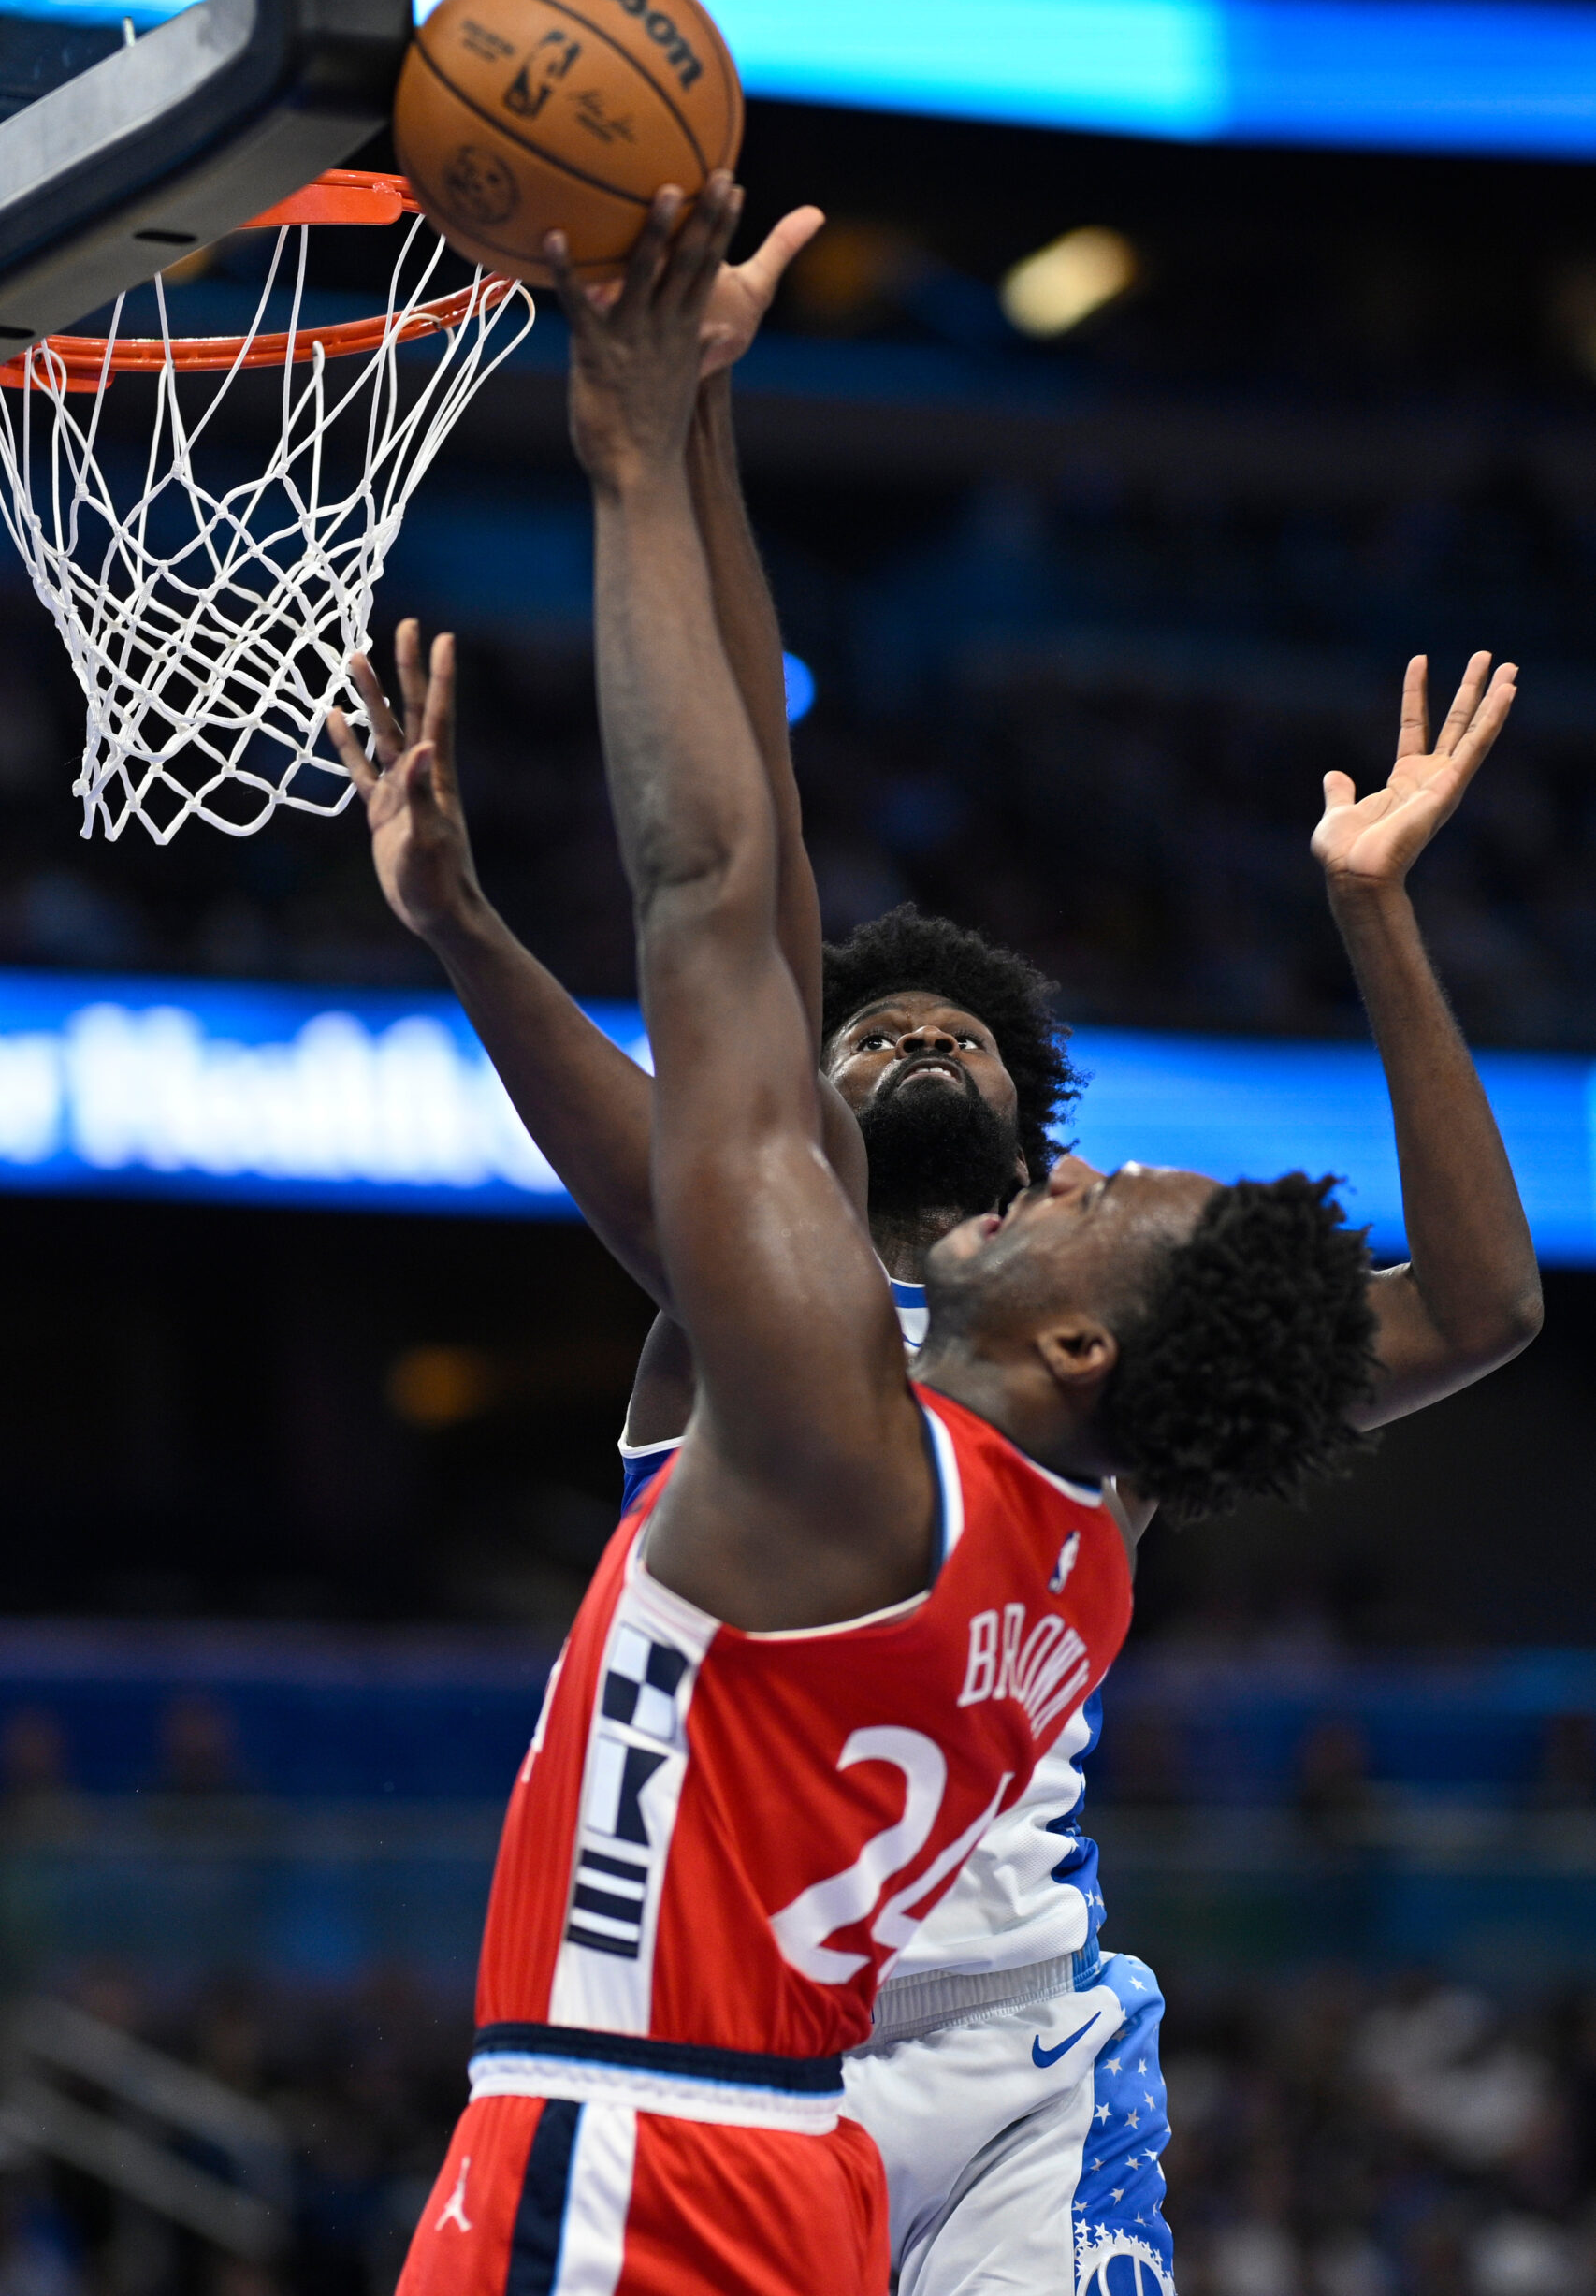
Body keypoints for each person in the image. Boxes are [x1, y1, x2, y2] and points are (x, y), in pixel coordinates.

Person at [334, 218, 1541, 2290]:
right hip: (789, 2065)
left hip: (935, 2050)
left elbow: (731, 897)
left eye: (956, 1038)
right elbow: (757, 886)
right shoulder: (919, 1392)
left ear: (1047, 1234)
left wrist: (644, 441)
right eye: (867, 1031)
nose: (899, 1039)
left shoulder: (911, 1389)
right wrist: (688, 429)